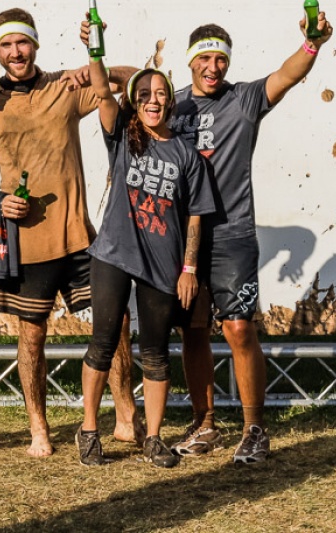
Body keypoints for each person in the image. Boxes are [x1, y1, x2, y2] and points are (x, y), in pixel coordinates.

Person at [0, 8, 143, 457]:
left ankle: (125, 418)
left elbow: (138, 81)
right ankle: (38, 430)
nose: (15, 52)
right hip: (26, 244)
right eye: (6, 45)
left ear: (35, 44)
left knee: (116, 322)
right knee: (32, 336)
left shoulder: (65, 86)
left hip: (79, 236)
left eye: (22, 42)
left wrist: (96, 63)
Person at [168, 10, 333, 465]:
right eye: (205, 58)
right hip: (184, 239)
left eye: (221, 59)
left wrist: (312, 44)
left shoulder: (243, 99)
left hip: (233, 234)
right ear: (190, 61)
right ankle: (204, 424)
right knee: (193, 332)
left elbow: (287, 74)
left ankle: (254, 429)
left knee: (239, 328)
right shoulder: (172, 106)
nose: (213, 67)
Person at [77, 47, 215, 469]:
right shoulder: (122, 136)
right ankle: (88, 430)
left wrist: (189, 269)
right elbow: (103, 91)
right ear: (134, 103)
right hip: (113, 255)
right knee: (103, 343)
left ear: (170, 101)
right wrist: (95, 51)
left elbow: (195, 216)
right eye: (143, 95)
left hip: (163, 264)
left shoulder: (186, 154)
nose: (152, 101)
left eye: (160, 94)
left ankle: (153, 438)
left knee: (155, 351)